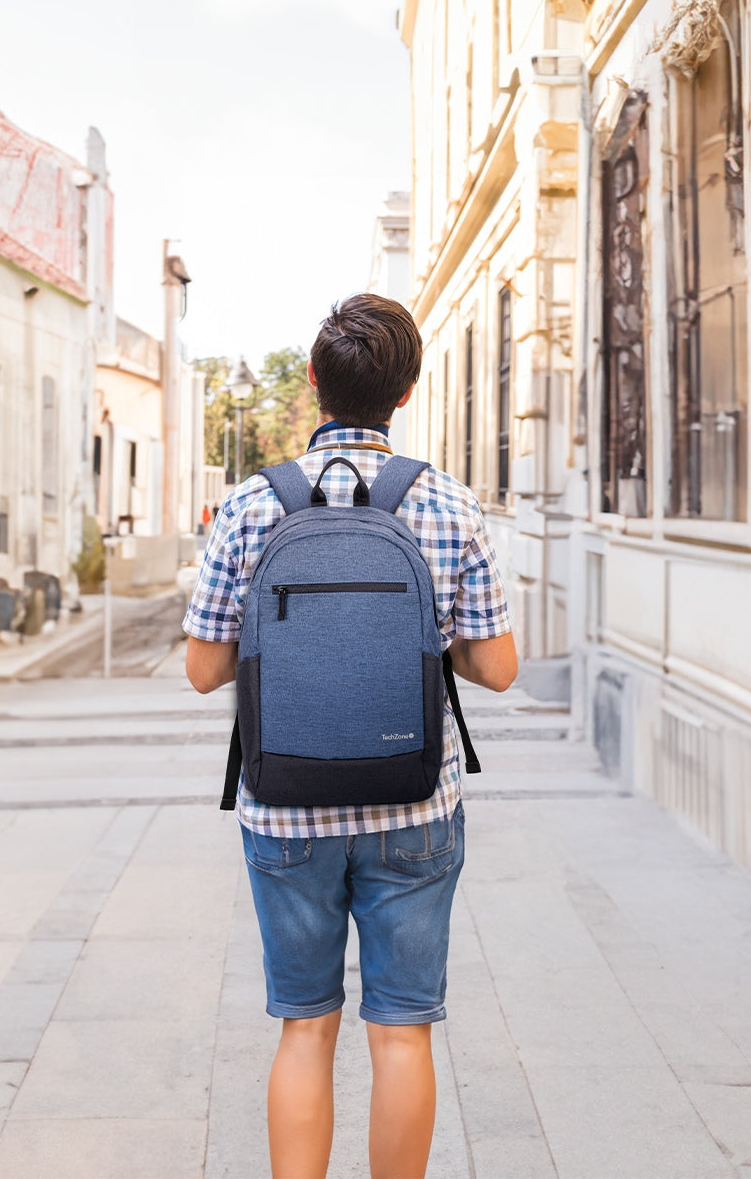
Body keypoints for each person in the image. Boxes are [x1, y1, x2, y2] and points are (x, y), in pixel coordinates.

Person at [184, 293, 517, 1179]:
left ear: (314, 384)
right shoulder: (447, 502)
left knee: (305, 1026)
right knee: (402, 1029)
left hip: (285, 809)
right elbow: (498, 667)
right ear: (406, 392)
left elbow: (204, 669)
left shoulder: (253, 506)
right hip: (416, 801)